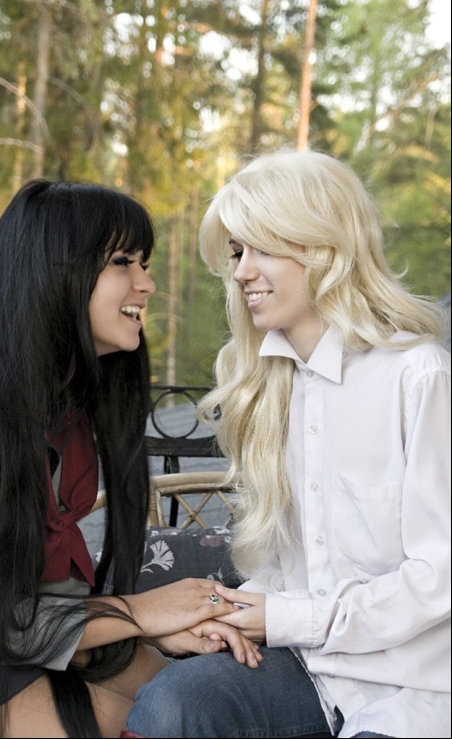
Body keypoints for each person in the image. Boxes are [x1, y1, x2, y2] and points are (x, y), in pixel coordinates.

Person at [124, 148, 451, 739]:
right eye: (237, 252)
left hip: (417, 685)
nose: (242, 272)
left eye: (263, 249)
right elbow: (287, 568)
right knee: (174, 704)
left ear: (326, 246)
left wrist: (290, 617)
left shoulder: (419, 376)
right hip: (307, 667)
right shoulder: (270, 386)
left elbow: (441, 575)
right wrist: (227, 614)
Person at [0, 179, 262, 739]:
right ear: (52, 274)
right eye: (123, 262)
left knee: (203, 702)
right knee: (163, 725)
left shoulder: (60, 403)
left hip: (27, 643)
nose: (147, 284)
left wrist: (144, 629)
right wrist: (138, 613)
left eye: (144, 264)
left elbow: (49, 593)